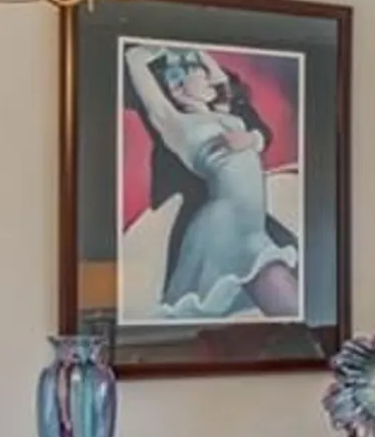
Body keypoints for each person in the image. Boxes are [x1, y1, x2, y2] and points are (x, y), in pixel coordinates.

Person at [123, 46, 303, 319]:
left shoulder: (222, 115)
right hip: (226, 225)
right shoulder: (178, 125)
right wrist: (147, 53)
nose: (211, 78)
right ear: (178, 90)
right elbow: (141, 75)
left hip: (249, 224)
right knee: (285, 299)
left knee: (284, 306)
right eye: (201, 76)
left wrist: (193, 54)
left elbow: (220, 82)